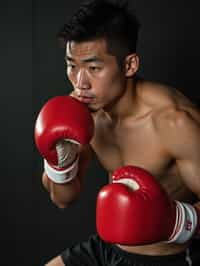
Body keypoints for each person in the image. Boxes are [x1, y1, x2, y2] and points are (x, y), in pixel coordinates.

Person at [34, 0, 200, 265]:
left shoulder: (174, 122)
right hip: (108, 248)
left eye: (93, 68)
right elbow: (63, 198)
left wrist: (176, 222)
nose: (80, 83)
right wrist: (60, 161)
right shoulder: (80, 112)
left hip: (168, 259)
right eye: (72, 66)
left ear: (129, 65)